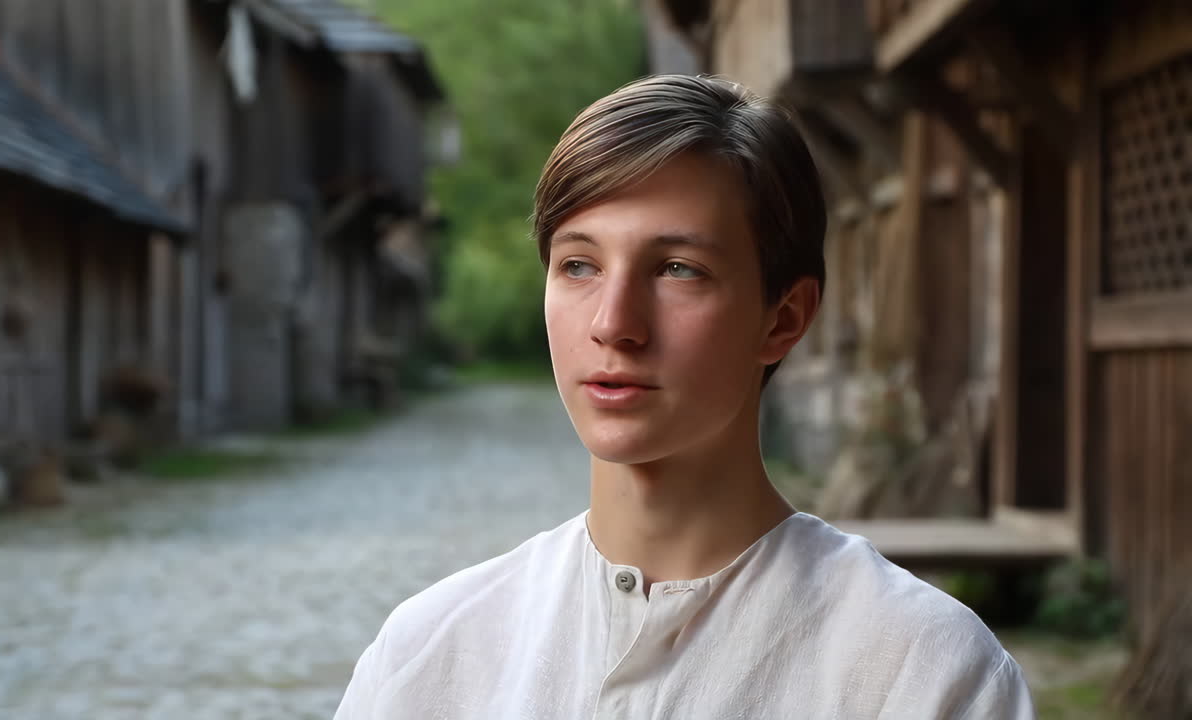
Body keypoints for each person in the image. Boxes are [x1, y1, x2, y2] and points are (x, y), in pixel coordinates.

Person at [333, 74, 1035, 719]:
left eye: (677, 269)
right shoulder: (429, 655)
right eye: (579, 265)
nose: (614, 324)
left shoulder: (917, 671)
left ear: (783, 317)